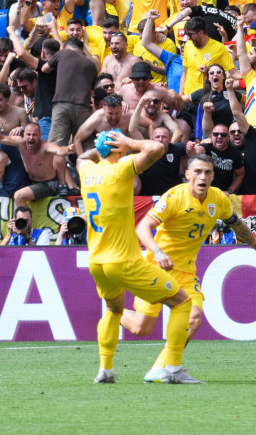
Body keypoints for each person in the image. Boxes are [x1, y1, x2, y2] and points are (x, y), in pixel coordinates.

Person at [121, 155, 256, 382]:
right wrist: (158, 251)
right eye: (198, 172)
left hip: (186, 272)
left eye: (208, 172)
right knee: (141, 328)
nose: (203, 177)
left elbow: (238, 225)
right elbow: (143, 227)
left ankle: (163, 369)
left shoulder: (218, 199)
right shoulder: (174, 197)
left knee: (193, 318)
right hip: (157, 268)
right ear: (188, 174)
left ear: (213, 176)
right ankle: (114, 312)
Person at [78, 130, 199, 384]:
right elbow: (157, 148)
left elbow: (81, 157)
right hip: (123, 261)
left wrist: (101, 146)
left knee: (113, 310)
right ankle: (174, 369)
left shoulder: (86, 170)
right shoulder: (119, 169)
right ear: (118, 149)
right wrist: (130, 142)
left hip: (96, 261)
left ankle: (105, 369)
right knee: (182, 303)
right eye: (121, 146)